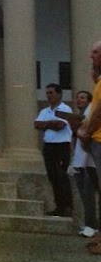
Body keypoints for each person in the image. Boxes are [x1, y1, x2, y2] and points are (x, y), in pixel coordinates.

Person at [34, 82, 74, 217]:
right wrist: (51, 123)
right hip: (49, 146)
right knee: (52, 177)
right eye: (47, 93)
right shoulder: (45, 111)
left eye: (51, 93)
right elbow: (37, 124)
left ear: (59, 94)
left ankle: (68, 206)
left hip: (61, 146)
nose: (49, 96)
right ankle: (59, 206)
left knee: (61, 176)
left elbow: (60, 125)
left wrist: (47, 124)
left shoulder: (65, 109)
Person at [70, 89, 98, 238]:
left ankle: (91, 225)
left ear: (88, 100)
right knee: (83, 193)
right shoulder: (79, 116)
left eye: (82, 98)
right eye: (78, 98)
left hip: (90, 160)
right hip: (80, 160)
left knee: (88, 193)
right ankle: (90, 223)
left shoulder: (90, 113)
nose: (79, 100)